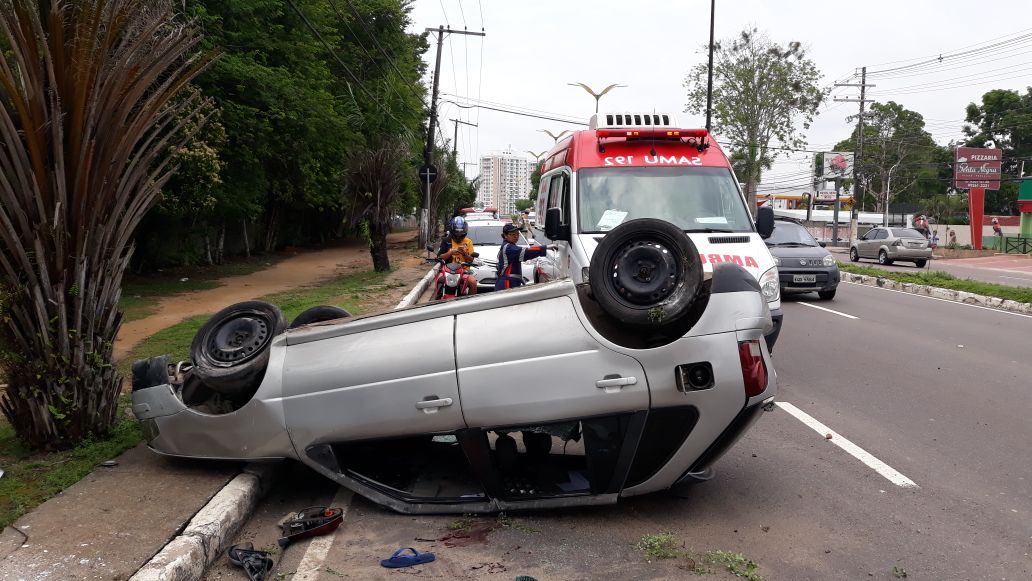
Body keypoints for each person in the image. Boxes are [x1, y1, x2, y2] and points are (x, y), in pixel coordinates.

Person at [495, 223, 549, 290]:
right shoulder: (508, 247)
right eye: (513, 234)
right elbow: (527, 252)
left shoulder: (508, 246)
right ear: (505, 235)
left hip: (509, 282)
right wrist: (546, 248)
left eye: (517, 234)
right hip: (507, 284)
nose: (516, 237)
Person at [437, 216, 477, 294]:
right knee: (439, 280)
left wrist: (465, 254)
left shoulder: (468, 242)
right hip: (448, 271)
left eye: (461, 234)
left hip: (464, 271)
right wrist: (450, 253)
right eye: (456, 234)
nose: (458, 236)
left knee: (473, 282)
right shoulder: (446, 241)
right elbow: (439, 257)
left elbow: (472, 259)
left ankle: (472, 303)